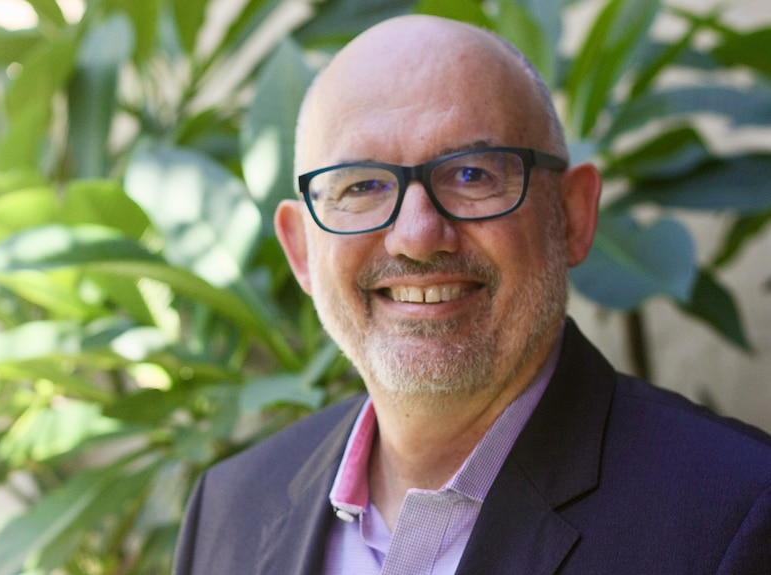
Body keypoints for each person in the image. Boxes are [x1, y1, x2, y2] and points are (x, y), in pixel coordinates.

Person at [173, 15, 771, 574]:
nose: (416, 237)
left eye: (471, 175)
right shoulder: (228, 509)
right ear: (301, 250)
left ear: (572, 216)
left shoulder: (737, 517)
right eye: (360, 185)